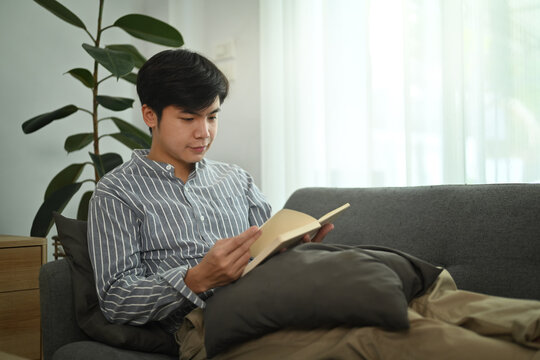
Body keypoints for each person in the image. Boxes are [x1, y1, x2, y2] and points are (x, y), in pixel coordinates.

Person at [87, 48, 333, 334]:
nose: (204, 132)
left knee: (371, 285)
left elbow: (264, 254)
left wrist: (294, 253)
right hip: (207, 327)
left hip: (271, 307)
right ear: (150, 115)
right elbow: (116, 300)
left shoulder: (238, 180)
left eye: (212, 117)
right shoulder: (116, 193)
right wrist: (194, 279)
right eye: (189, 119)